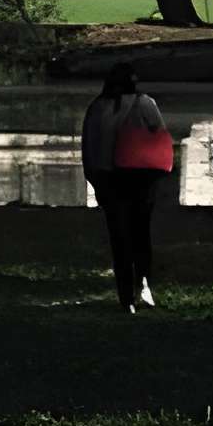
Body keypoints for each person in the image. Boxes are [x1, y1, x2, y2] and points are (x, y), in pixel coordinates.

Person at [80, 67, 173, 311]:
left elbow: (88, 150)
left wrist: (95, 182)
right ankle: (143, 286)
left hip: (109, 180)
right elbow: (161, 136)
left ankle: (126, 298)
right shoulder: (145, 104)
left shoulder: (96, 108)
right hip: (141, 178)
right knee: (141, 235)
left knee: (120, 241)